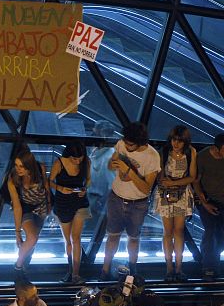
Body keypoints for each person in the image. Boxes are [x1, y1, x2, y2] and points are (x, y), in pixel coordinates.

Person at [101, 122, 160, 279]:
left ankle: (133, 269)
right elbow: (110, 165)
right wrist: (112, 164)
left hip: (137, 203)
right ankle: (105, 270)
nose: (126, 146)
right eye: (125, 142)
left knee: (133, 237)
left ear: (140, 142)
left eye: (130, 144)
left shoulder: (152, 156)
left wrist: (128, 170)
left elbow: (146, 188)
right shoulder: (121, 144)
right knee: (112, 235)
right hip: (116, 197)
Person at [154, 126, 197, 281]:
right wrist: (169, 184)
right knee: (168, 232)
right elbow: (160, 176)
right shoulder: (164, 152)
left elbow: (192, 176)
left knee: (178, 231)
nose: (176, 144)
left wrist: (174, 183)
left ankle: (179, 268)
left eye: (179, 141)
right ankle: (169, 268)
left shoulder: (191, 152)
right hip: (165, 193)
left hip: (182, 193)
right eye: (174, 140)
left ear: (185, 141)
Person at [49, 142, 91, 285]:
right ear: (69, 155)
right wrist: (60, 188)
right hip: (63, 204)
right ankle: (70, 269)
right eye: (75, 159)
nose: (78, 161)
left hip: (80, 202)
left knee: (76, 238)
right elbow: (49, 181)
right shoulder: (59, 163)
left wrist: (84, 189)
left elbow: (89, 179)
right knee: (68, 240)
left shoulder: (86, 162)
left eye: (80, 158)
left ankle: (76, 274)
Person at [7, 146, 50, 276]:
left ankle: (25, 267)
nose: (18, 169)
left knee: (32, 241)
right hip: (25, 208)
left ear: (29, 166)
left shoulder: (40, 168)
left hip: (41, 207)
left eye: (22, 166)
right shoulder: (13, 180)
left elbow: (46, 188)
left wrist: (49, 205)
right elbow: (17, 207)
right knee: (32, 237)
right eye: (16, 165)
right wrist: (17, 231)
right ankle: (18, 267)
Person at [193, 133, 224, 280]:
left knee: (219, 234)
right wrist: (204, 202)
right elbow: (196, 181)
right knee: (211, 231)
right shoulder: (203, 157)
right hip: (208, 200)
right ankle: (209, 267)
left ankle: (210, 259)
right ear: (217, 148)